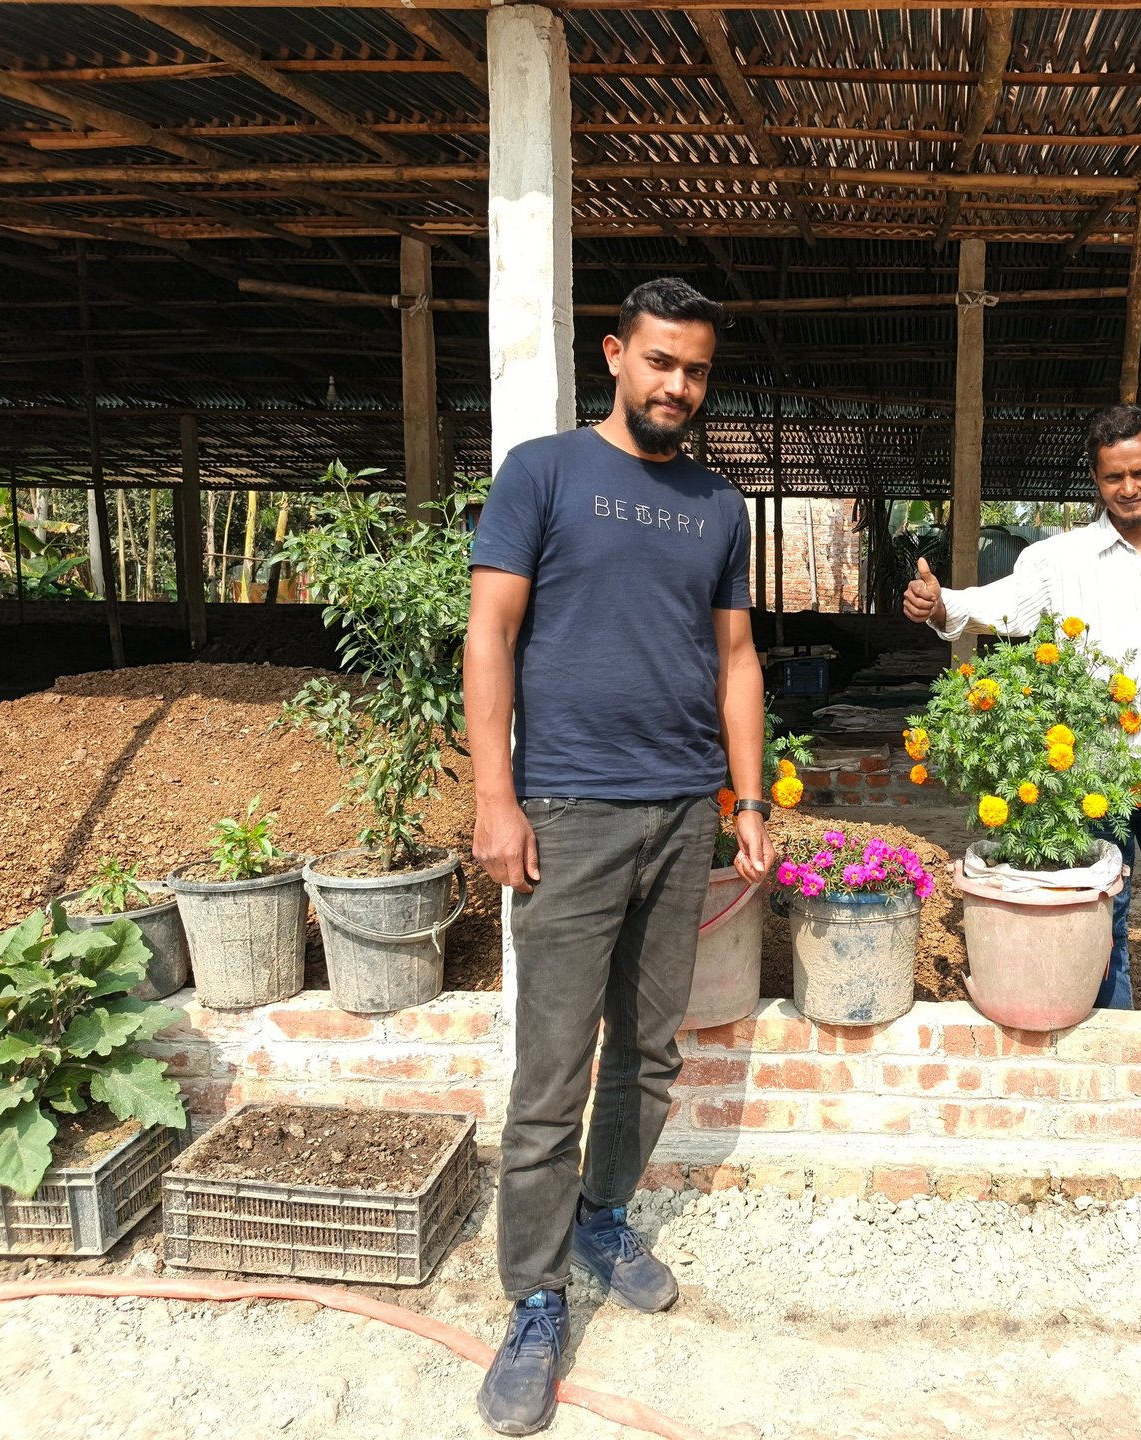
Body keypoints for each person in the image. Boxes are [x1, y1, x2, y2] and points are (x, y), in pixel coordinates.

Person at [464, 277, 774, 1436]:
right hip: (571, 810)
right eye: (659, 363)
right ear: (615, 356)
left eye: (694, 370)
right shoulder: (543, 474)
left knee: (646, 1053)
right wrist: (496, 796)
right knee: (551, 1073)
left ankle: (601, 1215)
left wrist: (744, 797)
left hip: (682, 810)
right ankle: (534, 1298)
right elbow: (490, 631)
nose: (676, 387)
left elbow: (736, 660)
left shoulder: (718, 504)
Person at [903, 403, 1141, 1012]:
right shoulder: (1058, 560)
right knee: (1099, 920)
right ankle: (1107, 1035)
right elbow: (1002, 606)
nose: (1129, 489)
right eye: (1114, 477)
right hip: (1092, 776)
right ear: (1096, 479)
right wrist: (942, 606)